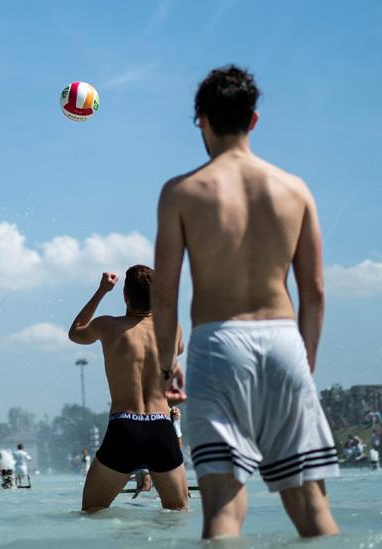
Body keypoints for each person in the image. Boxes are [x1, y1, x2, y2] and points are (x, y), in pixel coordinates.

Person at [153, 65, 339, 539]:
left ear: (202, 120)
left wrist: (164, 364)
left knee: (222, 509)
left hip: (217, 344)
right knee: (311, 507)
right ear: (254, 120)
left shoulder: (182, 193)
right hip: (283, 340)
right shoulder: (296, 190)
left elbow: (166, 292)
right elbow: (314, 290)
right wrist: (305, 359)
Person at [68, 266, 189, 512]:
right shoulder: (172, 330)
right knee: (178, 512)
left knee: (92, 510)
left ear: (125, 296)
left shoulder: (108, 326)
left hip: (125, 428)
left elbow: (76, 332)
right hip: (161, 427)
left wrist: (102, 291)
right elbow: (179, 349)